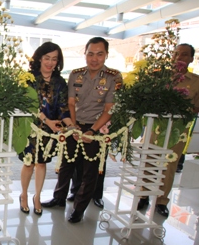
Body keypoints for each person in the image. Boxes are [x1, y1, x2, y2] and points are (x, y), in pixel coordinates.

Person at [41, 37, 122, 223]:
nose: (94, 59)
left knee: (90, 170)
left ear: (106, 55)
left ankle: (79, 208)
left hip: (97, 127)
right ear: (85, 54)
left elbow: (110, 108)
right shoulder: (75, 75)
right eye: (90, 54)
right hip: (74, 124)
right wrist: (74, 127)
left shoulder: (113, 77)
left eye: (99, 54)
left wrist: (92, 131)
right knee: (66, 163)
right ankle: (59, 198)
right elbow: (70, 102)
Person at [138, 43, 199, 217]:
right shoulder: (160, 78)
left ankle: (161, 201)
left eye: (183, 55)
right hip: (156, 127)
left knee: (169, 166)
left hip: (177, 130)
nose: (178, 58)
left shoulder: (198, 81)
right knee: (149, 160)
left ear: (191, 58)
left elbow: (197, 107)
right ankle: (143, 196)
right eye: (176, 54)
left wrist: (181, 111)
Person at [18, 42, 72, 216]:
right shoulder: (29, 78)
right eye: (47, 58)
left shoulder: (60, 82)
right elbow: (27, 105)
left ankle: (37, 197)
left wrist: (70, 125)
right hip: (30, 128)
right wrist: (47, 120)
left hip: (50, 131)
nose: (50, 62)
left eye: (54, 59)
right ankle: (24, 195)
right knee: (29, 162)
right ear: (40, 58)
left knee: (41, 163)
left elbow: (64, 108)